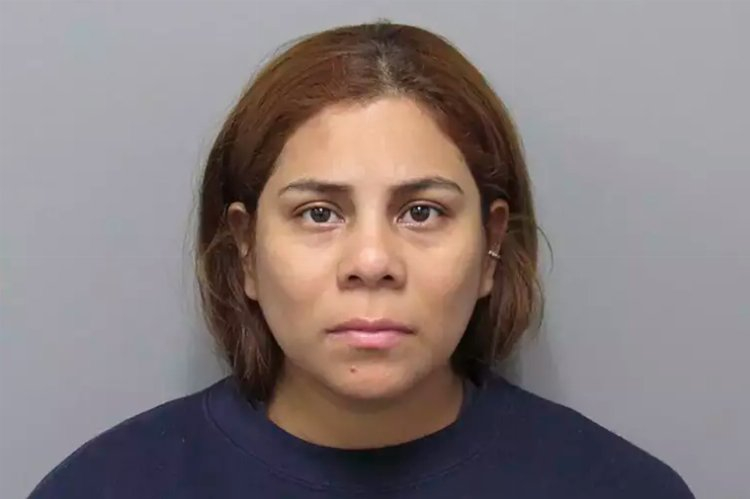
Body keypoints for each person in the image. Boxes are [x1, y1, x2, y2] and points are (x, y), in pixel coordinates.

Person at [29, 21, 694, 498]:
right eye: (319, 213)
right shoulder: (103, 486)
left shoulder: (621, 487)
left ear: (491, 247)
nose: (372, 261)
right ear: (246, 250)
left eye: (422, 212)